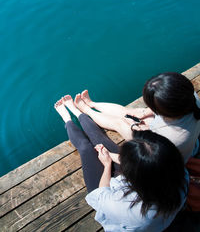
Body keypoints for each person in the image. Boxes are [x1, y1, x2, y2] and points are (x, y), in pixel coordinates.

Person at [54, 95, 189, 232]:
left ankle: (67, 119)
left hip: (111, 195)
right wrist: (109, 156)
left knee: (85, 148)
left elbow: (101, 195)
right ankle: (79, 113)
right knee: (101, 140)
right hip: (143, 185)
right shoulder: (180, 175)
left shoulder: (128, 209)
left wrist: (107, 165)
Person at [72, 72, 200, 163]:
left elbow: (148, 155)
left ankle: (87, 110)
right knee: (135, 112)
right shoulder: (190, 96)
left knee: (121, 122)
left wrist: (135, 126)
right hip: (183, 145)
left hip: (163, 155)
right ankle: (92, 104)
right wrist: (144, 113)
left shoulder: (167, 139)